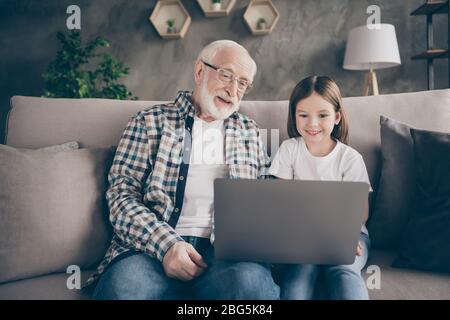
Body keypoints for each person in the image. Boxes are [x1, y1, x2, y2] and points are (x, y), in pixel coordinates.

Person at [86, 40, 280, 300]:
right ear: (200, 71)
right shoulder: (149, 122)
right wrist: (167, 246)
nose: (233, 90)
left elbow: (269, 197)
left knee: (252, 287)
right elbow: (121, 197)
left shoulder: (250, 132)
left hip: (227, 254)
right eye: (226, 75)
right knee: (122, 291)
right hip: (151, 248)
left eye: (243, 83)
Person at [269, 76, 371, 300]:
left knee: (344, 270)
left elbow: (361, 212)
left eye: (322, 115)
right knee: (298, 279)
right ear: (294, 116)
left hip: (345, 233)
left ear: (336, 117)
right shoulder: (288, 150)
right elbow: (281, 203)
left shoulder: (350, 159)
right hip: (302, 237)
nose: (312, 124)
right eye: (303, 115)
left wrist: (342, 235)